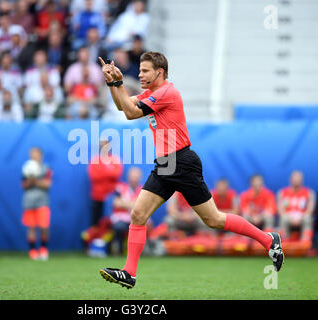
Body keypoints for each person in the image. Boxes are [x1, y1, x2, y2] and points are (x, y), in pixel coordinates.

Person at [98, 52, 284, 289]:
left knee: (214, 219)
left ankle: (268, 239)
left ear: (160, 72)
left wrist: (119, 83)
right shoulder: (151, 94)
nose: (141, 74)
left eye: (145, 70)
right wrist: (112, 82)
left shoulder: (166, 92)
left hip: (182, 162)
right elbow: (124, 108)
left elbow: (132, 112)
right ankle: (129, 273)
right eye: (140, 70)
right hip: (166, 164)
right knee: (138, 215)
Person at [21, 147, 53, 260]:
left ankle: (43, 250)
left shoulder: (46, 168)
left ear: (40, 155)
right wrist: (30, 181)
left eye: (36, 154)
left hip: (43, 201)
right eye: (31, 154)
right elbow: (23, 185)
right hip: (28, 202)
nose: (33, 156)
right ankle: (33, 250)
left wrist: (35, 181)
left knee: (44, 226)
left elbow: (48, 184)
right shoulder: (26, 168)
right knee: (31, 227)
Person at [88, 139, 123, 227]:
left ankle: (109, 240)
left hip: (112, 197)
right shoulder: (95, 160)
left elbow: (117, 174)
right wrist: (108, 173)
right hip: (97, 196)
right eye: (102, 145)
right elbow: (93, 176)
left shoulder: (115, 159)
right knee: (95, 221)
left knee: (111, 221)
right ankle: (95, 239)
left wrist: (102, 172)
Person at [110, 167, 142, 255]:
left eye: (136, 177)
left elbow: (143, 206)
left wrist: (125, 203)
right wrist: (134, 204)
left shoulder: (143, 190)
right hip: (121, 218)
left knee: (143, 228)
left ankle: (138, 251)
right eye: (132, 176)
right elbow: (116, 203)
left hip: (136, 219)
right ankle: (119, 249)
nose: (134, 179)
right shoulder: (120, 187)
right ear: (128, 177)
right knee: (119, 227)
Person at [277, 170, 316, 243]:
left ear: (302, 180)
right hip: (288, 216)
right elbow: (280, 210)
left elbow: (310, 209)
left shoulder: (309, 192)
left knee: (308, 218)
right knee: (283, 218)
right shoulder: (282, 192)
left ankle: (305, 243)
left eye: (298, 179)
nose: (296, 181)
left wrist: (301, 218)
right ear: (290, 179)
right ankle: (285, 243)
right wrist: (289, 218)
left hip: (302, 216)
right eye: (295, 179)